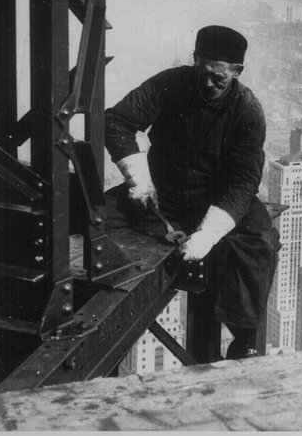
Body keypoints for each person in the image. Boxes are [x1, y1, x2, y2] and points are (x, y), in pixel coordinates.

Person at [104, 25, 279, 362]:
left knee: (259, 239)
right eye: (202, 71)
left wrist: (207, 236)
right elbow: (117, 121)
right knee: (96, 214)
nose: (207, 83)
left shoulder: (247, 111)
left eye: (218, 78)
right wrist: (139, 180)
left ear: (237, 72)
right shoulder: (169, 83)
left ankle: (246, 338)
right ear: (195, 60)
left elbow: (244, 181)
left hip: (217, 200)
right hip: (163, 194)